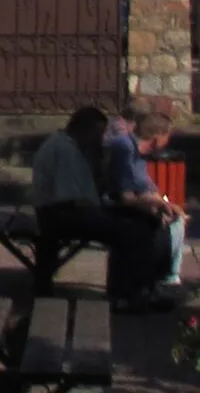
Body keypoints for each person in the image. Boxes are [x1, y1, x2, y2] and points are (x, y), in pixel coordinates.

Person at [31, 105, 167, 306]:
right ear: (86, 130)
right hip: (60, 216)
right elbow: (72, 198)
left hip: (67, 211)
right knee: (130, 229)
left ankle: (136, 289)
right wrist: (107, 213)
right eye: (99, 133)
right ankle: (132, 293)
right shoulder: (64, 149)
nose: (101, 139)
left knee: (140, 220)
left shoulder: (70, 145)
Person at [100, 97, 186, 303]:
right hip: (113, 206)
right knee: (159, 225)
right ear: (158, 138)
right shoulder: (125, 149)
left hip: (128, 205)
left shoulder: (136, 151)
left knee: (174, 220)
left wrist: (167, 205)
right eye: (167, 138)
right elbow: (125, 196)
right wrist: (156, 207)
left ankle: (155, 282)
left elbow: (147, 188)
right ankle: (146, 287)